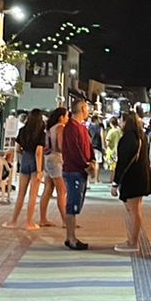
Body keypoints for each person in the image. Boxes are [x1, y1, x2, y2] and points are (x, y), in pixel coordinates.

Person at [112, 110, 151, 254]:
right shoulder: (141, 136)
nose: (120, 123)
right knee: (136, 209)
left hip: (132, 178)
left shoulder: (128, 138)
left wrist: (115, 182)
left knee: (133, 211)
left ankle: (133, 242)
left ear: (126, 121)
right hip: (141, 176)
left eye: (121, 120)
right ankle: (132, 240)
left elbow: (122, 162)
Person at [3, 109, 47, 230]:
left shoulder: (22, 131)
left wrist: (23, 155)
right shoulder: (41, 133)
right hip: (35, 162)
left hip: (25, 160)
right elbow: (39, 152)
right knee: (32, 194)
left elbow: (17, 148)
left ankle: (13, 221)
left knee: (21, 194)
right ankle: (29, 222)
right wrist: (39, 170)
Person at [59, 100, 93, 250]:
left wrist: (91, 160)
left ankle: (71, 236)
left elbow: (88, 146)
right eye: (87, 108)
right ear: (82, 109)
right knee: (72, 204)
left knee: (76, 202)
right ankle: (71, 238)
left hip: (79, 170)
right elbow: (74, 149)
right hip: (74, 170)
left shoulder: (82, 128)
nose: (88, 111)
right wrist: (85, 165)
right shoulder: (71, 128)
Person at [38, 107, 69, 227]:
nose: (67, 118)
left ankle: (43, 218)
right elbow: (60, 145)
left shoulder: (50, 128)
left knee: (48, 189)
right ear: (61, 117)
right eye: (66, 116)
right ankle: (65, 220)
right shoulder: (60, 127)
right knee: (62, 191)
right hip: (56, 160)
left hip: (48, 158)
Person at [104, 116, 123, 184]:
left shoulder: (111, 131)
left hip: (112, 151)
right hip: (119, 150)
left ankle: (112, 179)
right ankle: (117, 179)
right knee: (117, 166)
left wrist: (107, 147)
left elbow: (108, 141)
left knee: (112, 167)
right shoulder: (120, 131)